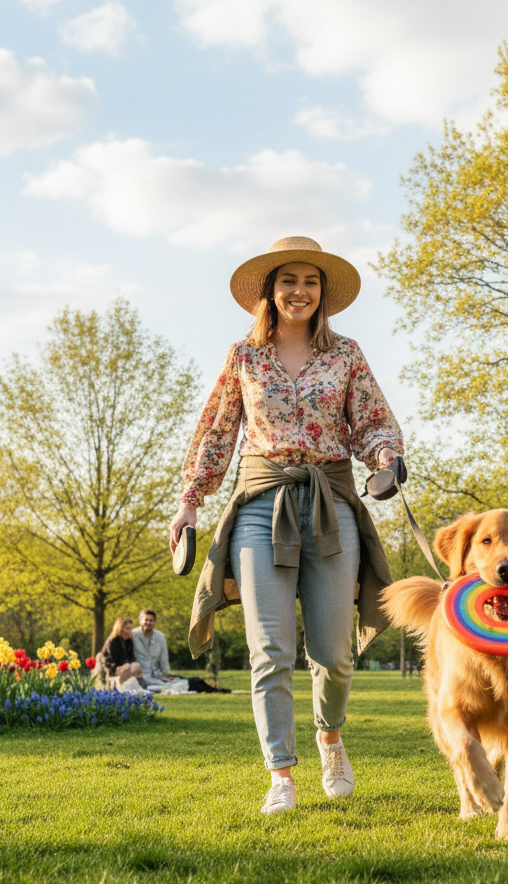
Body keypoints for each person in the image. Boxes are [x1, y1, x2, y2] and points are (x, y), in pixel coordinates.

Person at [168, 236, 403, 816]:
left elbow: (374, 422)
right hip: (259, 504)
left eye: (311, 281)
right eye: (289, 280)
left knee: (333, 650)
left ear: (322, 293)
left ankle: (330, 738)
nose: (300, 291)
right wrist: (191, 500)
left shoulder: (346, 355)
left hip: (331, 501)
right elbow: (217, 432)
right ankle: (281, 775)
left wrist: (384, 459)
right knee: (268, 650)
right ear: (269, 292)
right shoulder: (244, 358)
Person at [132, 608, 173, 685]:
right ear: (140, 621)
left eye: (151, 620)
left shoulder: (161, 636)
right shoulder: (133, 635)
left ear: (155, 622)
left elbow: (164, 659)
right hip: (139, 676)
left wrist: (167, 674)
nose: (148, 622)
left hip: (156, 675)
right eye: (146, 620)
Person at [101, 617, 143, 684]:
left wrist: (128, 664)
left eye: (131, 629)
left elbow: (131, 657)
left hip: (125, 667)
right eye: (127, 629)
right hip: (113, 669)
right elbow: (108, 660)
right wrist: (118, 668)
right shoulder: (113, 641)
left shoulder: (129, 641)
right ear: (120, 629)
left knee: (136, 666)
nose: (129, 631)